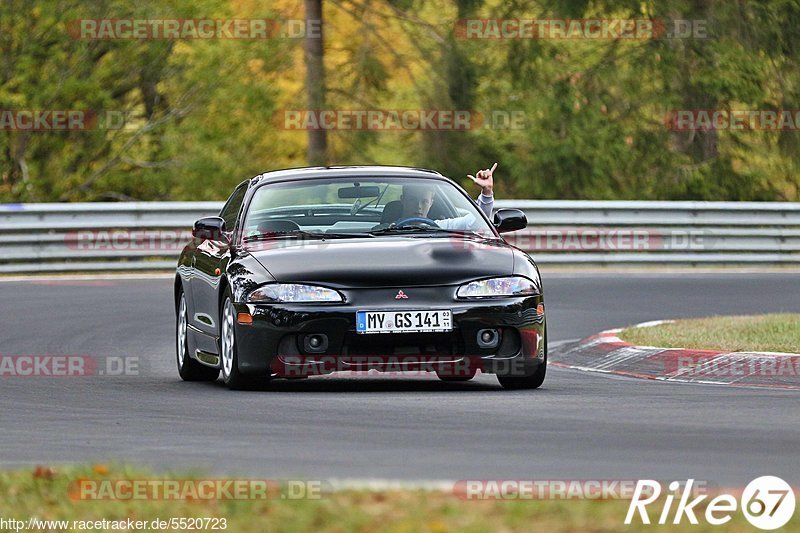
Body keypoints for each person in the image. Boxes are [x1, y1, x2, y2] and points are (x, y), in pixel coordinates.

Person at [397, 162, 497, 230]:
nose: (418, 206)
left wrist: (486, 192)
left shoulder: (441, 228)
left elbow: (477, 222)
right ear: (403, 200)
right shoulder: (384, 228)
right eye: (412, 200)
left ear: (431, 203)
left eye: (424, 202)